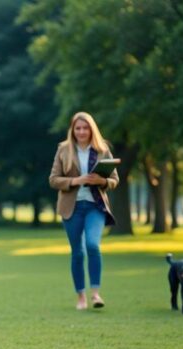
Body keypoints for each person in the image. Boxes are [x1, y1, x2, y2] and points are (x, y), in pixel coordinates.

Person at [49, 112, 119, 310]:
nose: (81, 132)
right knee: (77, 253)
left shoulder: (102, 149)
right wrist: (75, 181)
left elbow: (115, 180)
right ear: (73, 130)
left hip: (95, 206)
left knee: (92, 246)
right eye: (77, 128)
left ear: (91, 129)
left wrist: (102, 181)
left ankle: (96, 293)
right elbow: (53, 179)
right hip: (72, 208)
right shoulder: (63, 149)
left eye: (85, 128)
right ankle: (81, 296)